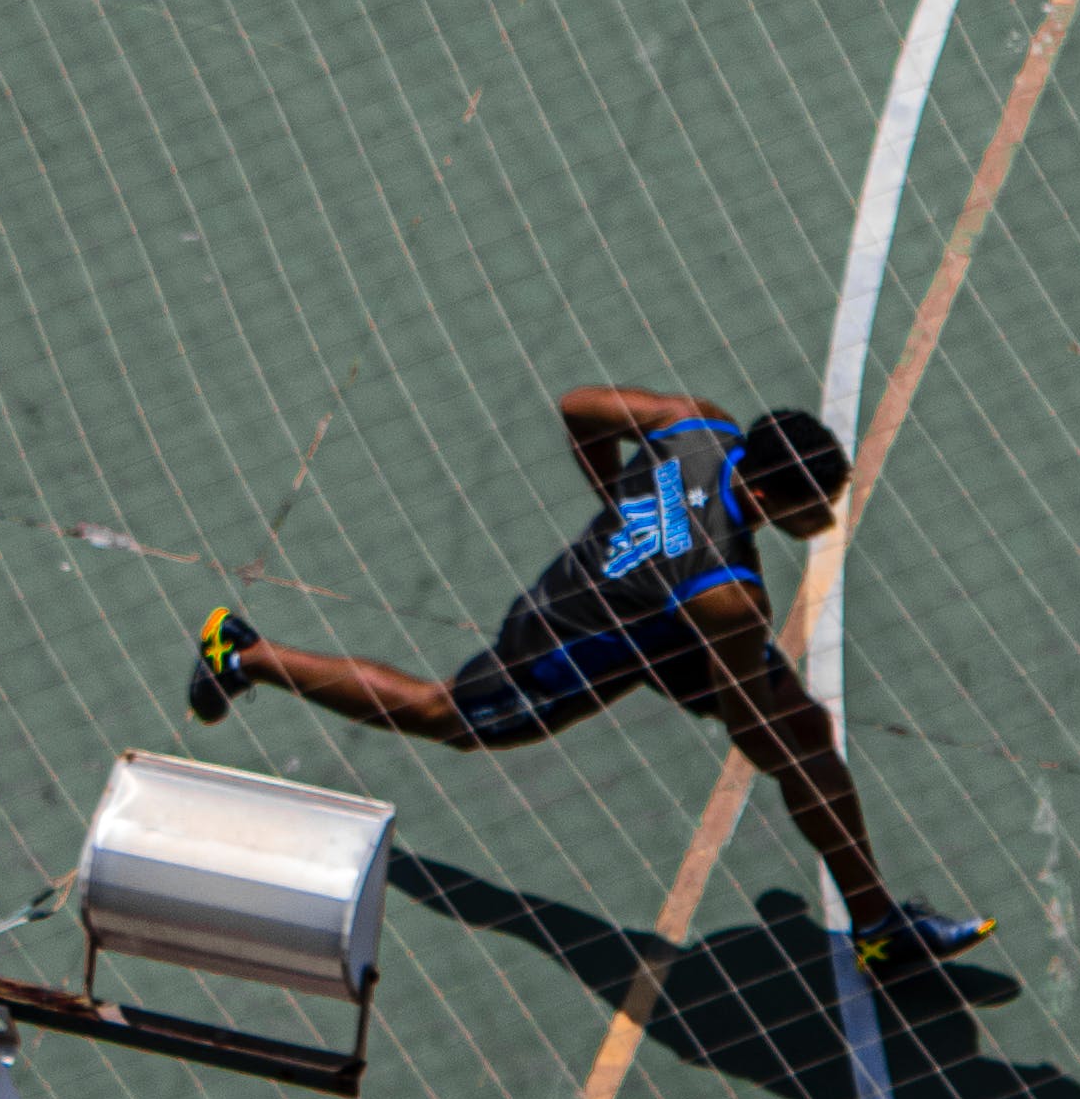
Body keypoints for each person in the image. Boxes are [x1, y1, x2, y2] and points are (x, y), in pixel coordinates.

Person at [185, 380, 991, 974]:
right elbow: (749, 725)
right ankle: (245, 652)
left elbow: (578, 405)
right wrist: (787, 762)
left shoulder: (692, 423)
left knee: (807, 735)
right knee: (447, 717)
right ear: (773, 494)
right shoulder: (734, 596)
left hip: (660, 612)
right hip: (577, 639)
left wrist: (623, 502)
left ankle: (879, 926)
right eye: (823, 504)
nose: (831, 518)